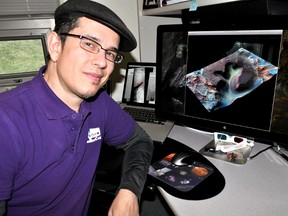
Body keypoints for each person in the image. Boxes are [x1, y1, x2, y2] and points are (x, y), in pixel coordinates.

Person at [0, 0, 154, 215]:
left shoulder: (100, 103)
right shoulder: (6, 122)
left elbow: (140, 141)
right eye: (89, 43)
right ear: (55, 46)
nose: (102, 62)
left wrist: (129, 191)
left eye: (110, 53)